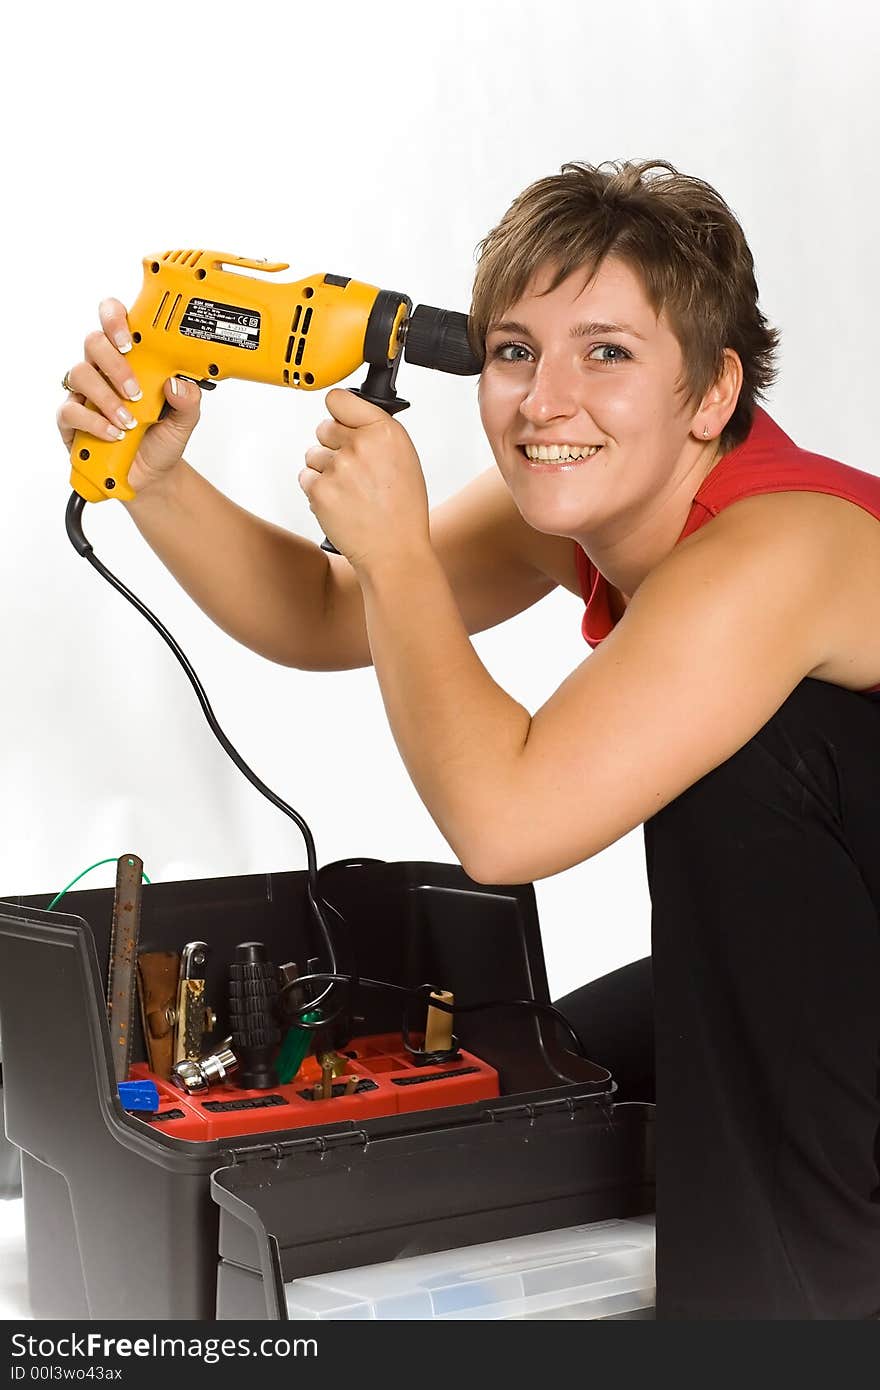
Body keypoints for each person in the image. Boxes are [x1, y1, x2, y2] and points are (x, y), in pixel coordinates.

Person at [56, 160, 880, 1320]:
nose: (546, 398)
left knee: (742, 759)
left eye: (608, 352)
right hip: (824, 944)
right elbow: (333, 612)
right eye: (512, 351)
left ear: (711, 390)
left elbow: (508, 824)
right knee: (536, 1085)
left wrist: (395, 554)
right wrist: (158, 478)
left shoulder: (777, 550)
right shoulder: (590, 503)